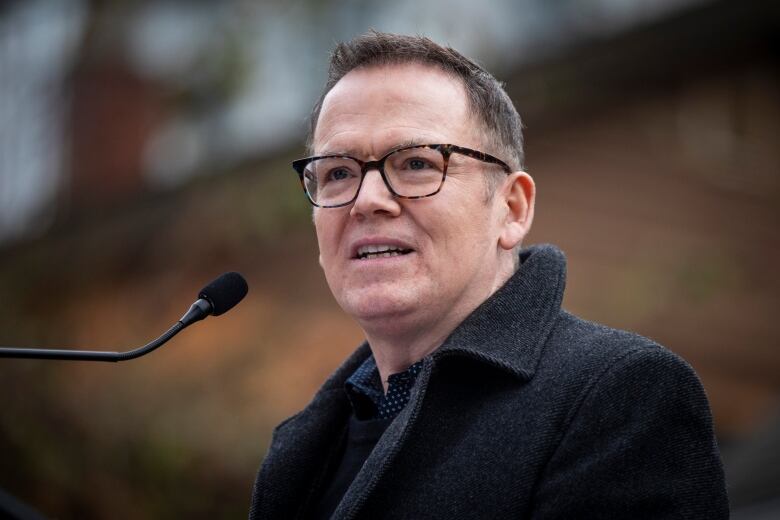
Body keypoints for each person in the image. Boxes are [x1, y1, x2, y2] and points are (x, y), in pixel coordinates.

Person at [249, 31, 728, 519]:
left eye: (416, 163)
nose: (368, 199)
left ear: (512, 209)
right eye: (337, 173)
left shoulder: (621, 396)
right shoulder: (305, 446)